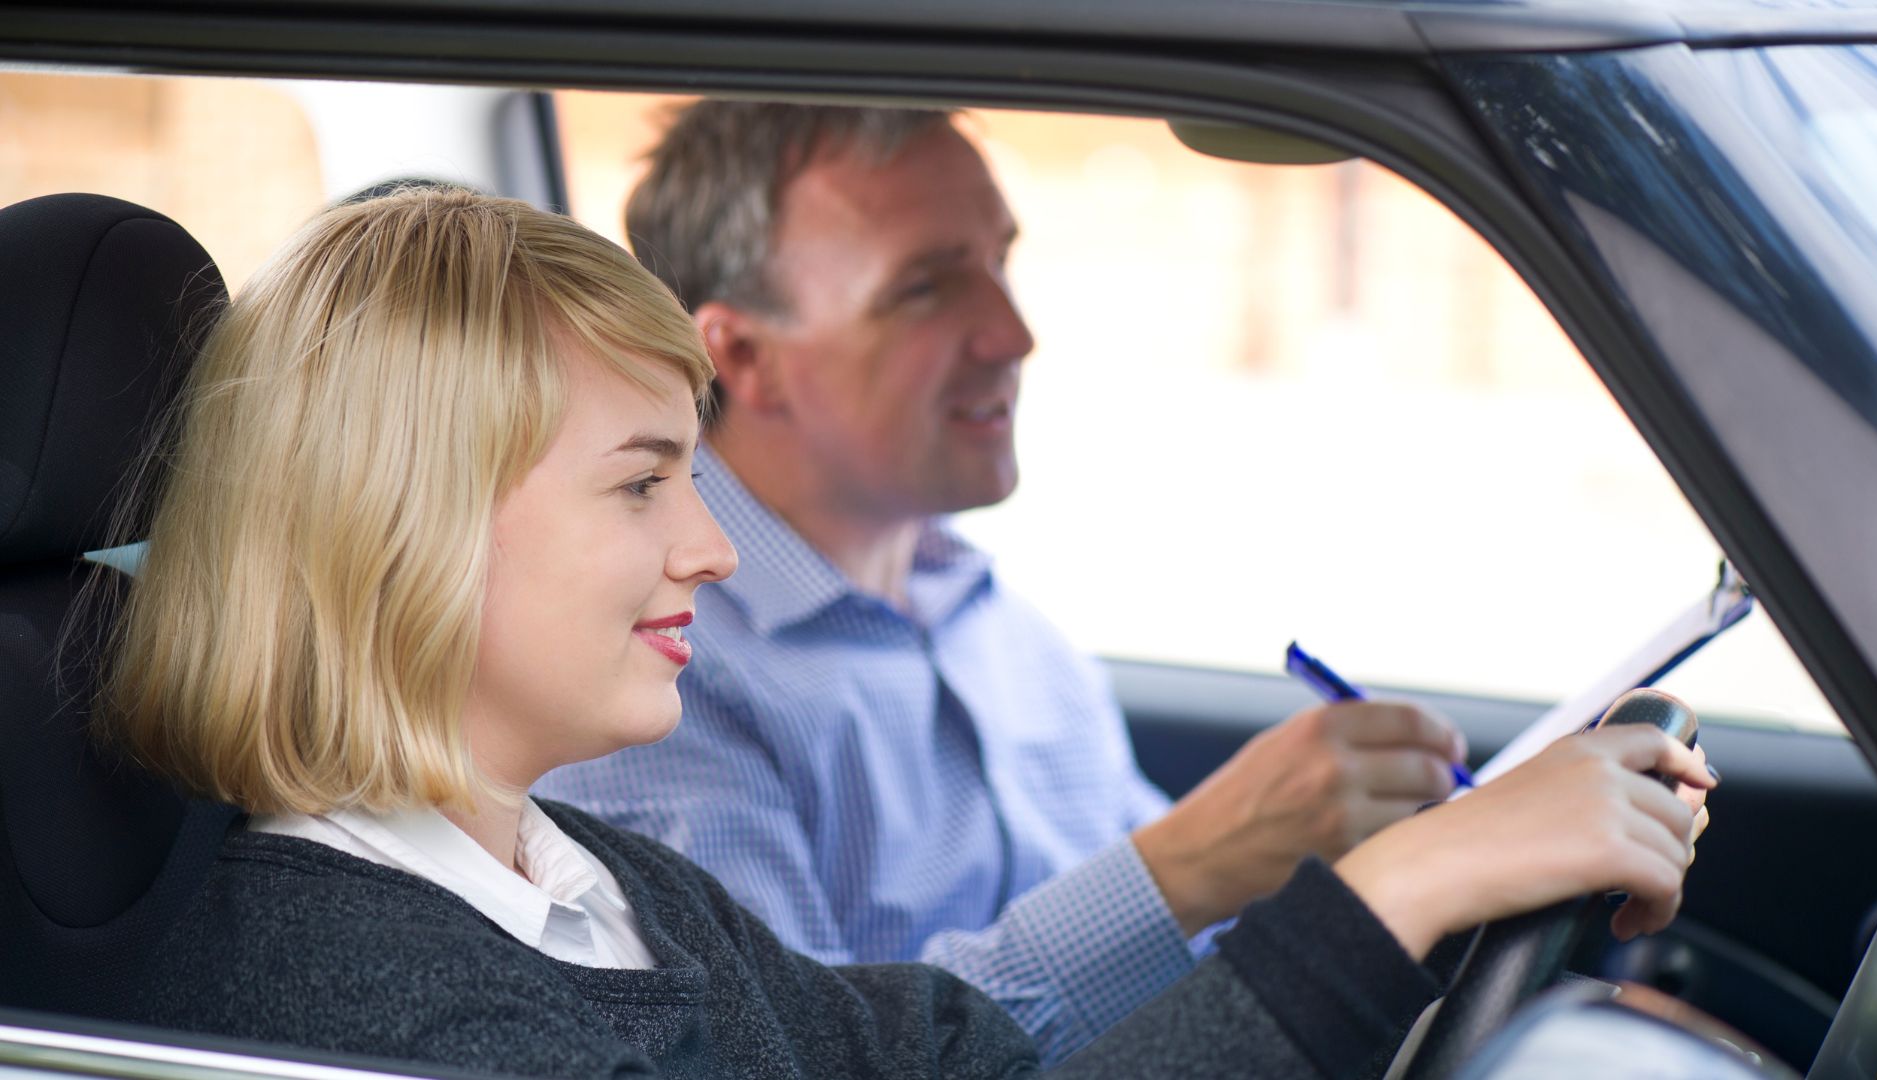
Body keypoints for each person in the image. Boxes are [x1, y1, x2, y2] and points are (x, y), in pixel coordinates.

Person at [106, 186, 1712, 1080]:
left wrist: (1416, 896)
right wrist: (1405, 888)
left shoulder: (593, 890)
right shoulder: (391, 1020)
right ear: (412, 531)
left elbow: (952, 1064)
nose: (713, 546)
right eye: (643, 484)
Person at [540, 102, 1711, 1062]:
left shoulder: (998, 626)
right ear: (743, 357)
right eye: (927, 288)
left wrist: (1449, 854)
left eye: (999, 263)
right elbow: (800, 1056)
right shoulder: (658, 677)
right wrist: (1198, 861)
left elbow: (1192, 965)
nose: (1012, 331)